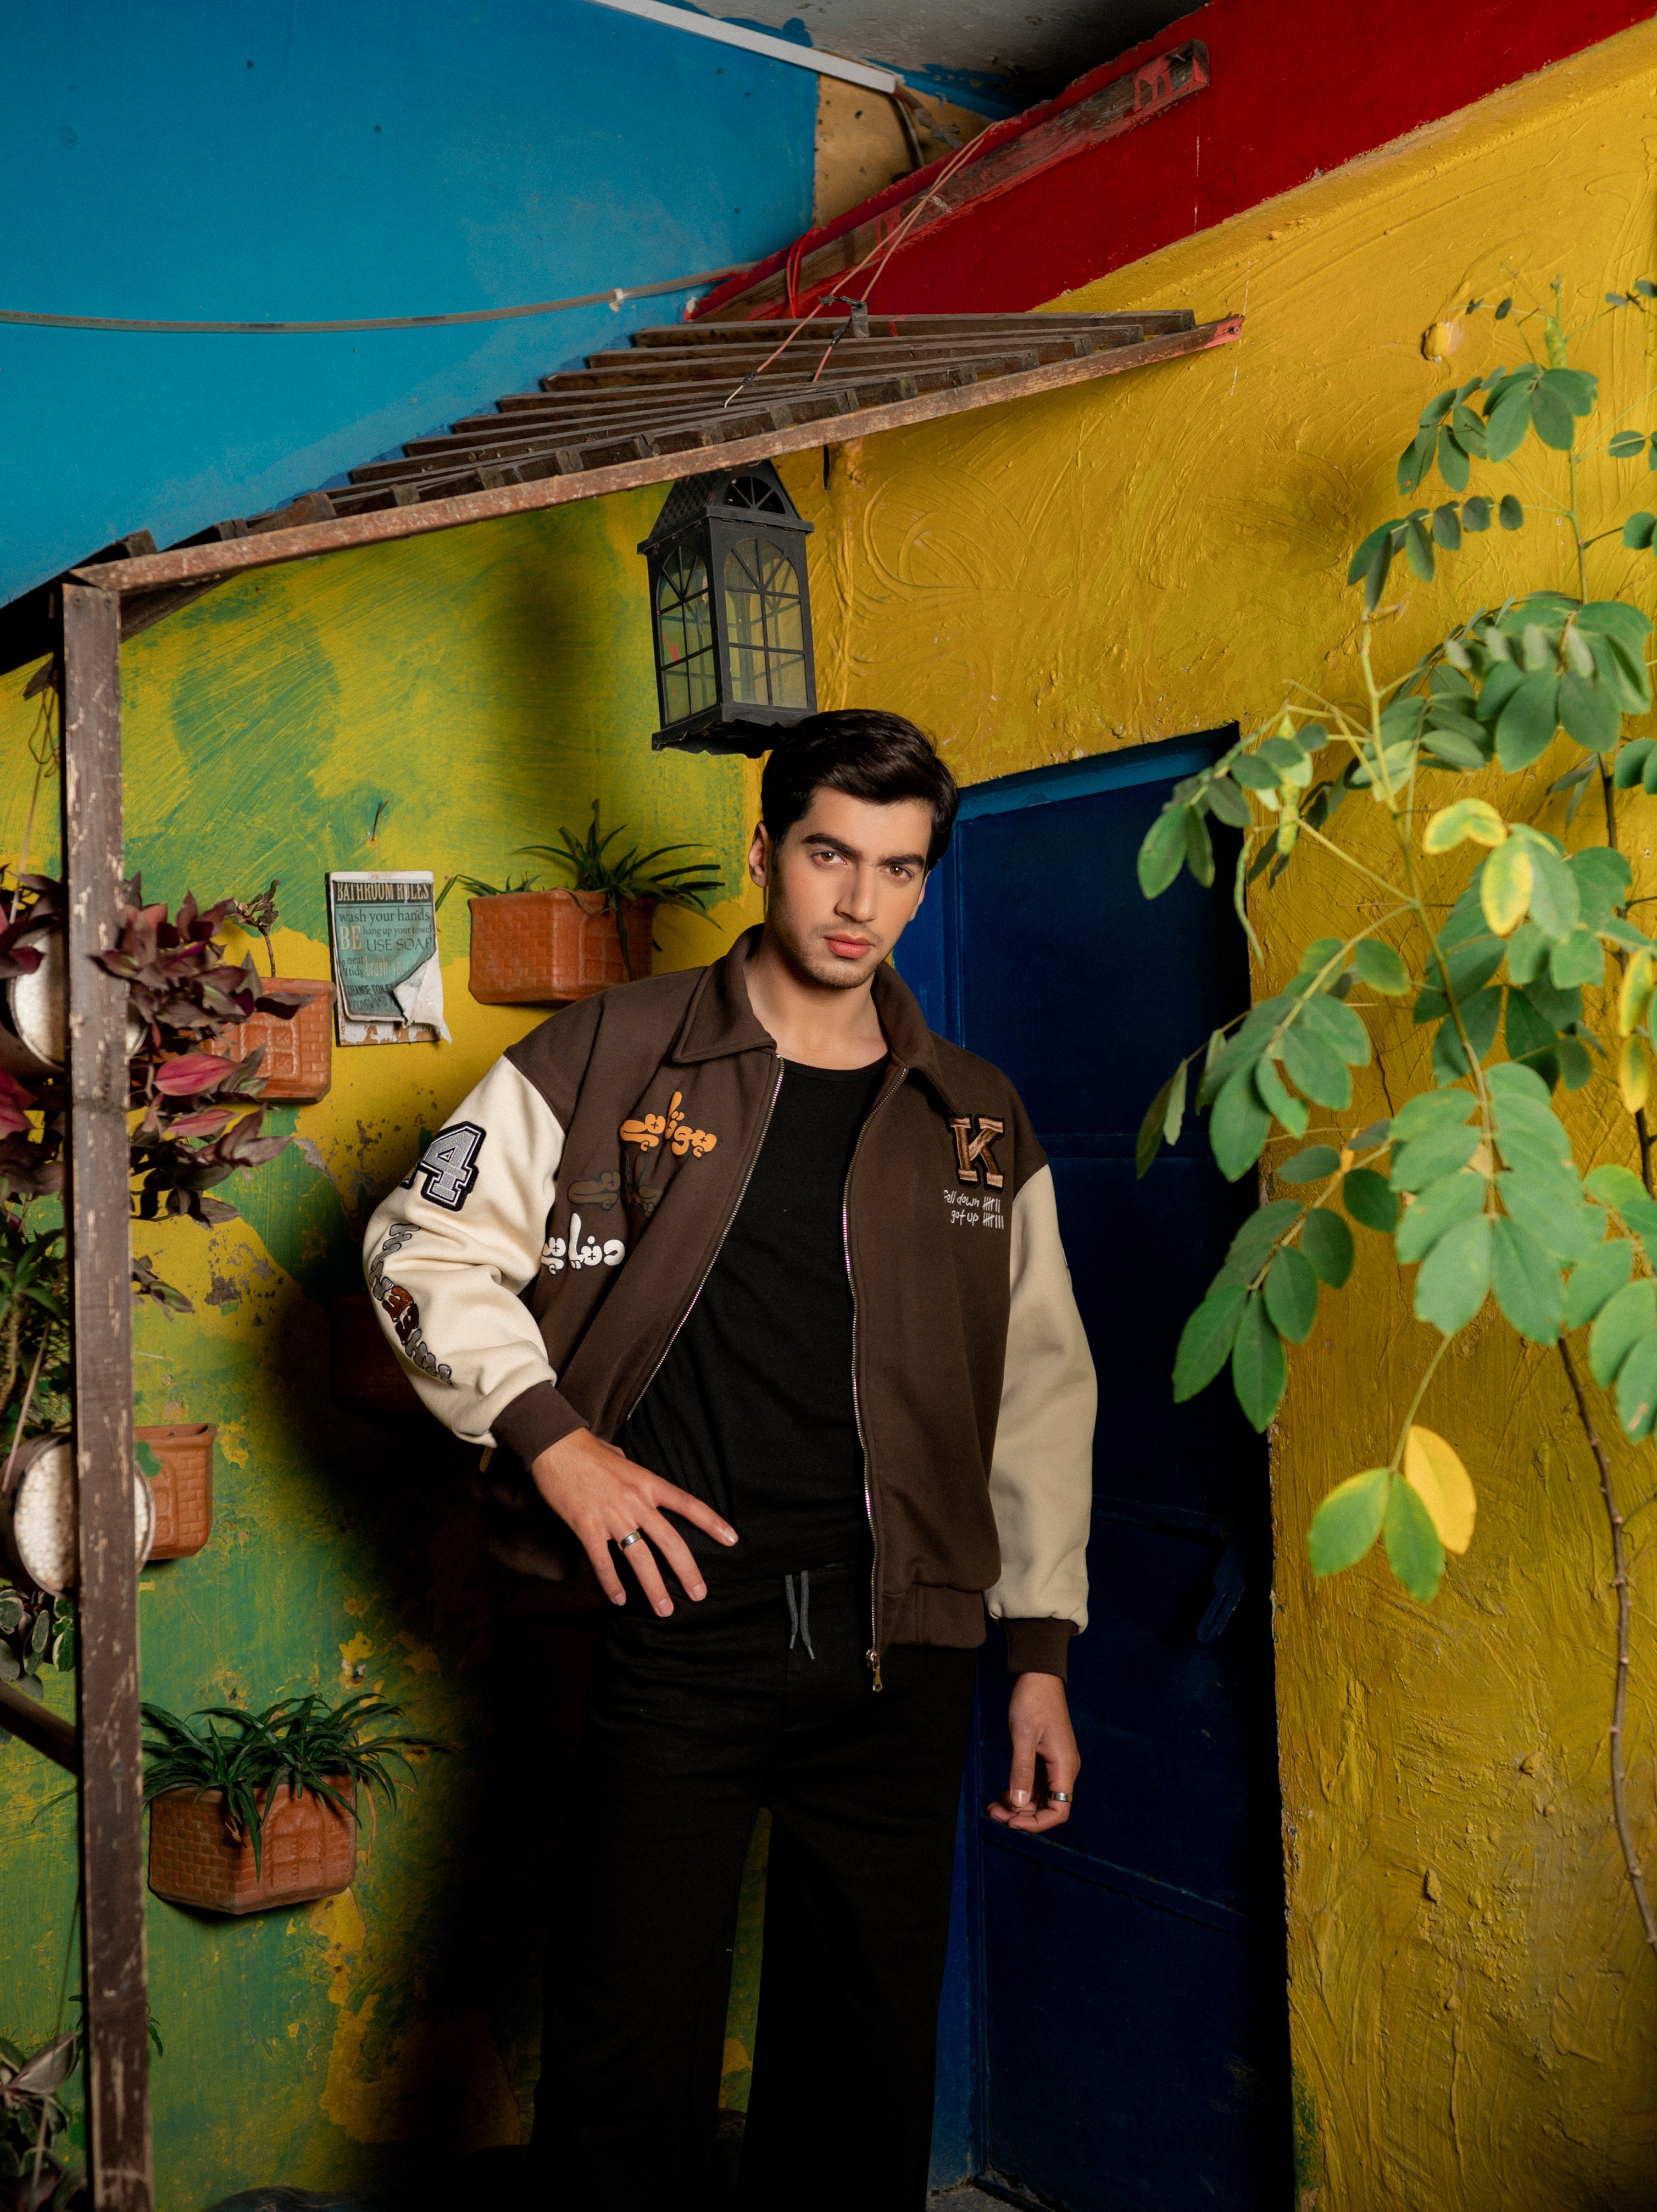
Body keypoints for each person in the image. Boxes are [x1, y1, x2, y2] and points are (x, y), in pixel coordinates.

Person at [362, 710, 1096, 2210]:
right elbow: (416, 1246)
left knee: (863, 2072)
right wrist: (557, 1444)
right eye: (831, 854)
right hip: (683, 1630)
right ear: (765, 851)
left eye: (899, 869)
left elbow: (1038, 1392)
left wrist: (1039, 1653)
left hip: (905, 1648)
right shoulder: (609, 1052)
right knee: (625, 2061)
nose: (859, 901)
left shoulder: (976, 1116)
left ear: (924, 884)